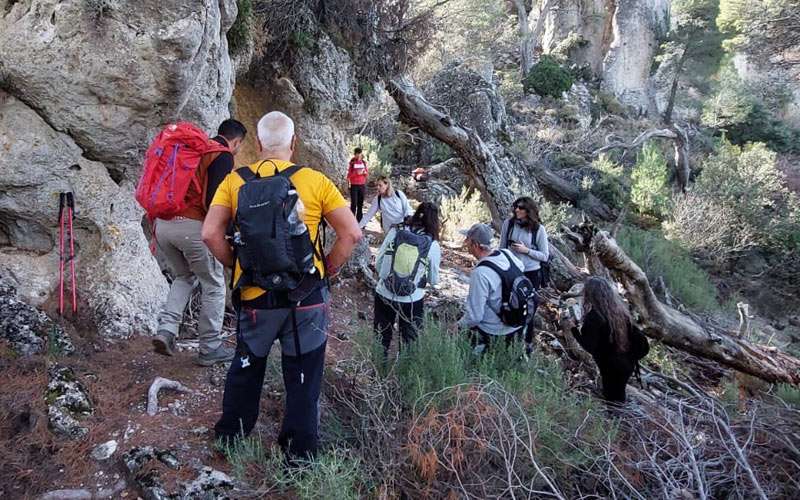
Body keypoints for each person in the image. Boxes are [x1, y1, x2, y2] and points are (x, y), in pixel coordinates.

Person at [202, 111, 361, 461]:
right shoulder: (316, 181)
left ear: (258, 144)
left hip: (256, 297)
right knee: (304, 379)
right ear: (294, 142)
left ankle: (232, 437)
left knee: (246, 368)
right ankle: (299, 455)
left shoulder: (234, 181)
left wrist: (236, 265)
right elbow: (351, 233)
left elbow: (210, 233)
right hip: (307, 299)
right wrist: (328, 269)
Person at [152, 119, 247, 366]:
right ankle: (210, 348)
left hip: (163, 226)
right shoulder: (222, 155)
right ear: (236, 141)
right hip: (191, 228)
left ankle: (167, 329)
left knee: (184, 277)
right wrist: (228, 233)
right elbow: (215, 201)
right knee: (214, 284)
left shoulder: (193, 151)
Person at [562, 276, 649, 404]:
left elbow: (588, 346)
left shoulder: (594, 317)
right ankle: (619, 418)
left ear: (590, 294)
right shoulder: (620, 312)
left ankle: (616, 422)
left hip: (610, 367)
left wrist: (573, 329)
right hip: (627, 362)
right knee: (619, 397)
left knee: (613, 401)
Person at [374, 202, 442, 356]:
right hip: (413, 298)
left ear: (417, 213)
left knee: (381, 337)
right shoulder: (432, 245)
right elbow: (434, 279)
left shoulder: (396, 232)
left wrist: (388, 277)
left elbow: (379, 262)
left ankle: (376, 370)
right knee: (409, 342)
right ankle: (403, 374)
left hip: (384, 293)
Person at [458, 223, 526, 353]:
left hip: (493, 331)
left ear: (475, 244)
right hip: (517, 325)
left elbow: (474, 317)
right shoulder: (507, 254)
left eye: (467, 239)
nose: (465, 242)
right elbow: (521, 269)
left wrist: (457, 326)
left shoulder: (480, 273)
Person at [499, 196, 549, 355]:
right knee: (508, 305)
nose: (517, 210)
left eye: (520, 207)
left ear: (529, 210)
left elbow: (545, 256)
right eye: (515, 207)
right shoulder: (509, 224)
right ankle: (507, 341)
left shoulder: (538, 229)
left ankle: (526, 345)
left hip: (530, 273)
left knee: (528, 309)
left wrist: (526, 250)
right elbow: (501, 247)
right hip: (511, 271)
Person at [347, 147, 368, 221]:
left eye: (360, 154)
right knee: (354, 204)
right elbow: (348, 176)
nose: (359, 156)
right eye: (357, 155)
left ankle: (359, 221)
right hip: (354, 186)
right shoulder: (352, 163)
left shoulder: (364, 162)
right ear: (355, 154)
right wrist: (356, 173)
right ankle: (351, 221)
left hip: (362, 185)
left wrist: (364, 173)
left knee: (360, 204)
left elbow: (366, 174)